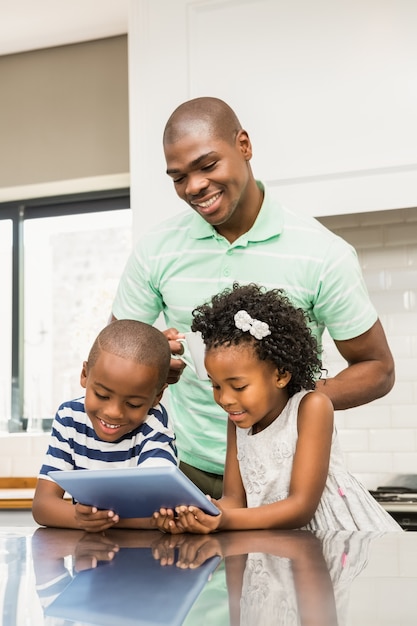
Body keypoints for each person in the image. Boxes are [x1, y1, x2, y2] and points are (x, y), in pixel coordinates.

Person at [111, 96, 395, 498]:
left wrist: (292, 401)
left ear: (243, 145)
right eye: (178, 177)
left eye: (208, 166)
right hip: (183, 469)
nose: (194, 187)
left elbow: (378, 368)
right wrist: (158, 361)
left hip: (287, 473)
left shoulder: (321, 252)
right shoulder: (155, 250)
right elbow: (116, 355)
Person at [152, 283, 401, 533]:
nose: (225, 399)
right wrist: (198, 513)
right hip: (278, 543)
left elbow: (300, 507)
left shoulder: (311, 407)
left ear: (281, 374)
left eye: (238, 387)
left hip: (332, 539)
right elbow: (234, 501)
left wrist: (225, 520)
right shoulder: (237, 420)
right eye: (216, 386)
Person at [32, 319, 177, 532]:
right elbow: (42, 506)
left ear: (157, 396)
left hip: (143, 557)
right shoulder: (69, 417)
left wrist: (99, 519)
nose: (114, 412)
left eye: (133, 404)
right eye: (101, 395)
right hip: (88, 556)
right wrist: (78, 518)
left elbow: (156, 511)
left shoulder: (154, 422)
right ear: (84, 375)